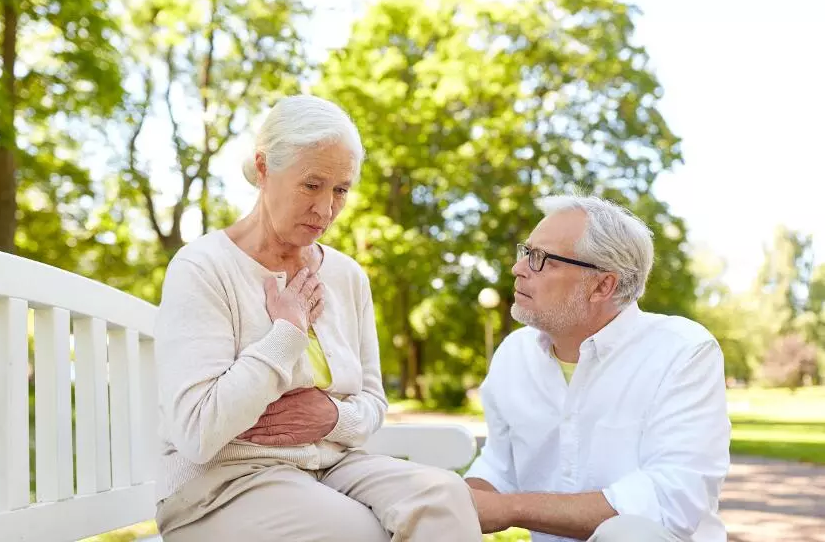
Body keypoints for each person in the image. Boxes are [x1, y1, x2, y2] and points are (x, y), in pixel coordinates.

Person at [152, 95, 481, 541]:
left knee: (444, 496)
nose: (326, 209)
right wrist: (285, 334)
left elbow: (372, 402)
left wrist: (333, 418)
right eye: (312, 185)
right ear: (264, 168)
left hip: (331, 465)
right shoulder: (204, 268)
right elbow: (197, 432)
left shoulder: (347, 275)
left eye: (340, 190)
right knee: (356, 531)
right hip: (224, 485)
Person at [464, 195, 731, 542]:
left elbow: (668, 503)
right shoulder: (513, 354)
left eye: (540, 259)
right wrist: (447, 500)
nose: (518, 268)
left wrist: (512, 509)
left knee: (629, 534)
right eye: (525, 252)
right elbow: (499, 468)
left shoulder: (683, 351)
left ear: (603, 285)